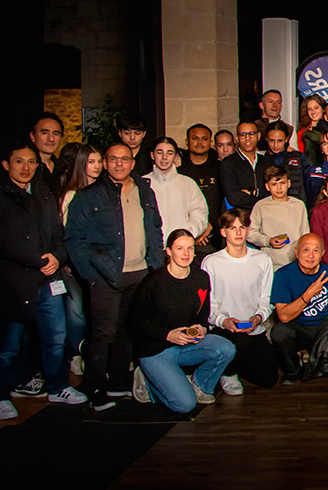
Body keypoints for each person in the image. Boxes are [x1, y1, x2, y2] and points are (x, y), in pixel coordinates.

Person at [0, 142, 88, 419]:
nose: (26, 168)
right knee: (9, 346)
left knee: (56, 338)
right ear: (7, 165)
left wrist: (57, 256)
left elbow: (58, 234)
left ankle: (57, 387)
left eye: (31, 162)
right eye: (19, 162)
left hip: (47, 280)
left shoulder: (43, 193)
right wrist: (41, 261)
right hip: (15, 284)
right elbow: (2, 243)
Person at [65, 143, 164, 410]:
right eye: (113, 159)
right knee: (103, 334)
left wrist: (156, 264)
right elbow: (74, 239)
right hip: (105, 275)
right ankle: (96, 389)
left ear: (133, 163)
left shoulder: (144, 190)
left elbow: (155, 227)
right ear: (106, 163)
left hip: (141, 273)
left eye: (125, 159)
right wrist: (90, 275)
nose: (119, 164)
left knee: (127, 332)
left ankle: (120, 383)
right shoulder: (88, 196)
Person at [130, 229, 235, 412]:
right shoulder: (153, 281)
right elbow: (135, 321)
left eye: (190, 248)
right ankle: (147, 381)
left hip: (187, 344)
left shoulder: (201, 278)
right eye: (180, 248)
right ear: (169, 251)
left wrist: (202, 327)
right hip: (156, 349)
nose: (186, 254)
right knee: (185, 405)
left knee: (226, 348)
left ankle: (199, 385)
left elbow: (204, 313)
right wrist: (167, 335)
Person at [202, 209, 279, 391]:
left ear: (247, 230)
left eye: (242, 227)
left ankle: (236, 364)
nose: (238, 232)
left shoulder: (262, 259)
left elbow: (266, 298)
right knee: (238, 343)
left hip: (252, 327)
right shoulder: (211, 262)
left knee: (269, 379)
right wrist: (223, 320)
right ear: (223, 232)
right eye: (232, 228)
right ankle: (228, 372)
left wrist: (258, 318)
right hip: (224, 328)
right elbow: (209, 302)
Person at [270, 234, 328, 384]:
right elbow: (284, 316)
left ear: (322, 254)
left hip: (326, 328)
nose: (311, 256)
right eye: (306, 250)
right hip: (300, 329)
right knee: (279, 331)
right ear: (296, 251)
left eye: (316, 250)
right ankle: (293, 370)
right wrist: (309, 294)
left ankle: (317, 360)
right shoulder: (283, 275)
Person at [58, 144, 103, 371]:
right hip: (75, 264)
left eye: (98, 161)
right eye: (90, 162)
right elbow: (66, 233)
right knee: (77, 313)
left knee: (97, 313)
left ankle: (93, 355)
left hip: (100, 264)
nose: (95, 166)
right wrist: (68, 260)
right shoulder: (71, 195)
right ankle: (74, 354)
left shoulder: (105, 191)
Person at [144, 137, 208, 240]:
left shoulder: (188, 183)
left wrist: (186, 234)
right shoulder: (143, 184)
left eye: (169, 153)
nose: (164, 157)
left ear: (175, 157)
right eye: (159, 152)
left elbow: (200, 213)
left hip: (180, 248)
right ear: (152, 155)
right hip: (150, 248)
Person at [247, 166, 309, 270]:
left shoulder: (299, 205)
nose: (279, 188)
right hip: (270, 263)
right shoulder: (261, 206)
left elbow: (305, 234)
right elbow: (250, 233)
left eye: (282, 183)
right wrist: (267, 241)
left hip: (295, 263)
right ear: (267, 186)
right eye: (274, 184)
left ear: (288, 183)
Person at [177, 124, 223, 258]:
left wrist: (209, 226)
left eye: (204, 139)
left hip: (213, 236)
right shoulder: (179, 171)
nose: (199, 143)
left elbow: (223, 201)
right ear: (187, 142)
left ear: (210, 142)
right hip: (185, 234)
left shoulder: (219, 168)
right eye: (195, 138)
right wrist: (193, 231)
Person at [220, 120, 268, 214]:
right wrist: (261, 198)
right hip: (240, 219)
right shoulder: (228, 163)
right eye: (242, 134)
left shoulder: (267, 161)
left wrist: (253, 192)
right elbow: (235, 198)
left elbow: (272, 192)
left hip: (265, 216)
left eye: (251, 133)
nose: (247, 138)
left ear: (258, 136)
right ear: (237, 138)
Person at [263, 122, 307, 203]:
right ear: (266, 139)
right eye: (272, 141)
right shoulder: (263, 160)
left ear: (286, 139)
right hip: (272, 206)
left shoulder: (298, 157)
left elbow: (308, 182)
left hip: (297, 203)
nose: (275, 145)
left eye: (280, 141)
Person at [30, 113, 64, 192]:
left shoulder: (62, 168)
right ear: (33, 137)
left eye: (56, 134)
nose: (51, 138)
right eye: (44, 133)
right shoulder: (28, 168)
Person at [298, 93, 327, 159]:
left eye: (316, 108)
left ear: (323, 109)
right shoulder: (302, 132)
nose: (313, 112)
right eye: (309, 109)